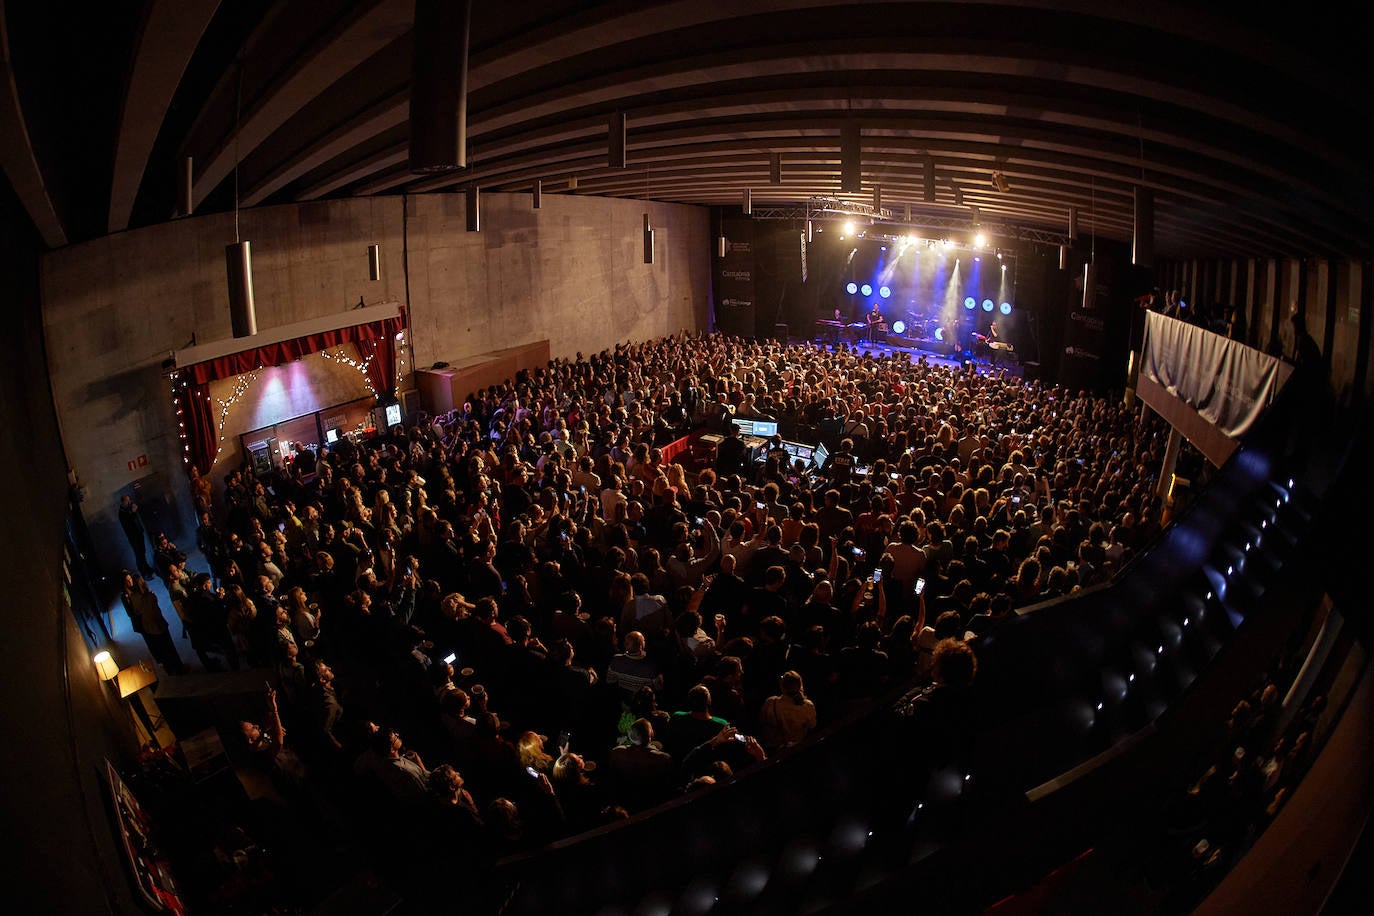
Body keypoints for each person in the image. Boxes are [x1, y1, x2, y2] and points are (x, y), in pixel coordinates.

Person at [119, 571, 187, 674]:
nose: (130, 582)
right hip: (150, 625)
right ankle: (175, 668)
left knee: (162, 648)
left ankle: (171, 668)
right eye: (127, 581)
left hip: (152, 624)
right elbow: (134, 612)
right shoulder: (132, 596)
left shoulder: (138, 595)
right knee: (163, 647)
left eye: (130, 580)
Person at [756, 670, 817, 754]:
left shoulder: (770, 703)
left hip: (777, 750)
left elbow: (761, 722)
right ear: (800, 685)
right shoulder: (807, 706)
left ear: (782, 686)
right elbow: (812, 725)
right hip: (799, 748)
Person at [118, 494, 156, 578]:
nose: (129, 502)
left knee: (143, 552)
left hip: (138, 533)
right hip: (133, 536)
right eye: (127, 501)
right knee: (139, 554)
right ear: (123, 502)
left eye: (129, 500)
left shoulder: (129, 509)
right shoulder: (122, 513)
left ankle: (147, 568)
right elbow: (128, 523)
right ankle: (144, 571)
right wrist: (132, 512)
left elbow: (135, 518)